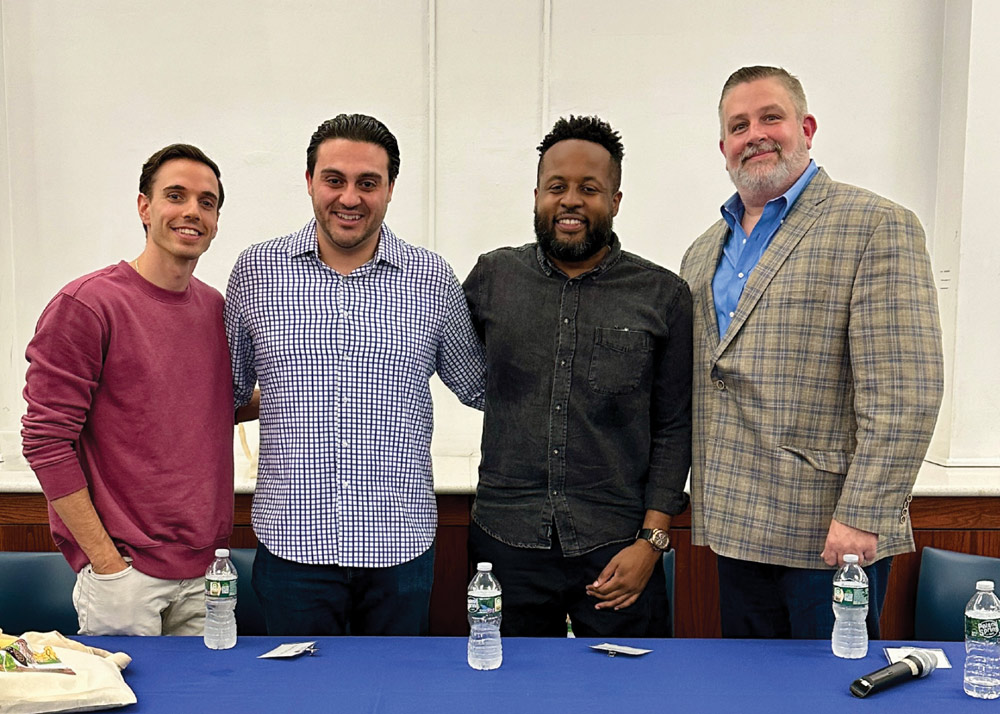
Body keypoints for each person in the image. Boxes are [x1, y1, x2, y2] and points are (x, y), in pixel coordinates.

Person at [681, 66, 944, 638]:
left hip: (831, 536)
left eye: (770, 117)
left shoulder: (876, 225)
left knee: (832, 696)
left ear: (806, 126)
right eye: (739, 125)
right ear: (722, 146)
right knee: (749, 694)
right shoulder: (702, 253)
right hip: (733, 530)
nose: (755, 134)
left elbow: (906, 392)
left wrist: (864, 513)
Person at [225, 114, 485, 636]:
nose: (350, 197)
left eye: (368, 183)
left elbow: (481, 386)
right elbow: (224, 395)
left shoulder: (432, 279)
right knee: (298, 698)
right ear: (309, 181)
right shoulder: (256, 271)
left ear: (390, 189)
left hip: (400, 550)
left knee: (391, 698)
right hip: (291, 547)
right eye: (334, 179)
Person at [464, 116, 692, 638]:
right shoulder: (492, 278)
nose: (571, 200)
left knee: (626, 694)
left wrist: (651, 544)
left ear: (614, 199)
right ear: (537, 195)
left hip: (618, 546)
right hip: (505, 542)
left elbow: (675, 426)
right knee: (505, 693)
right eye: (557, 187)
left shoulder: (663, 295)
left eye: (589, 188)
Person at [21, 144, 234, 636]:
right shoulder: (88, 305)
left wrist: (315, 385)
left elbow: (214, 403)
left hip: (207, 576)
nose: (192, 212)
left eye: (207, 202)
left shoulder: (214, 310)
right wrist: (106, 562)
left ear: (217, 219)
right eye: (175, 195)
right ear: (144, 206)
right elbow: (45, 441)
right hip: (125, 576)